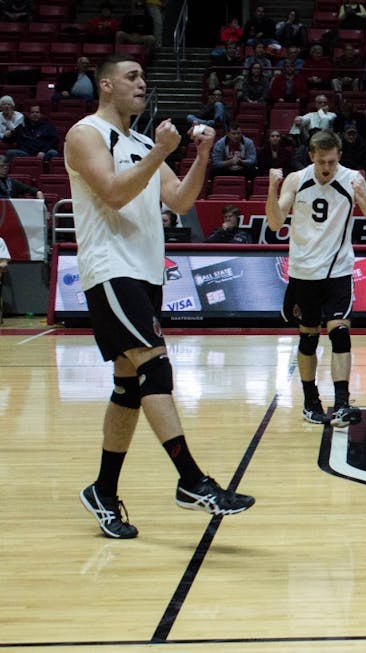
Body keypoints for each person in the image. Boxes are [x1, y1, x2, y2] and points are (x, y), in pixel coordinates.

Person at [64, 54, 255, 539]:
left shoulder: (144, 141)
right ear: (105, 85)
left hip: (146, 273)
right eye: (132, 77)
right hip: (111, 270)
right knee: (156, 367)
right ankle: (191, 481)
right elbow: (110, 192)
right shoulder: (86, 133)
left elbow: (180, 201)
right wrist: (159, 153)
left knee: (129, 387)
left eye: (144, 78)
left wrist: (200, 156)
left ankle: (102, 491)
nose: (141, 84)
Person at [266, 129, 366, 426]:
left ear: (339, 156)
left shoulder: (352, 178)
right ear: (311, 158)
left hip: (337, 270)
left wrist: (365, 197)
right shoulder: (296, 179)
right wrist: (271, 189)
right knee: (308, 337)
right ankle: (310, 400)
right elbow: (275, 223)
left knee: (340, 332)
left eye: (330, 161)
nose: (326, 168)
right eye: (321, 162)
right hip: (304, 271)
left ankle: (342, 403)